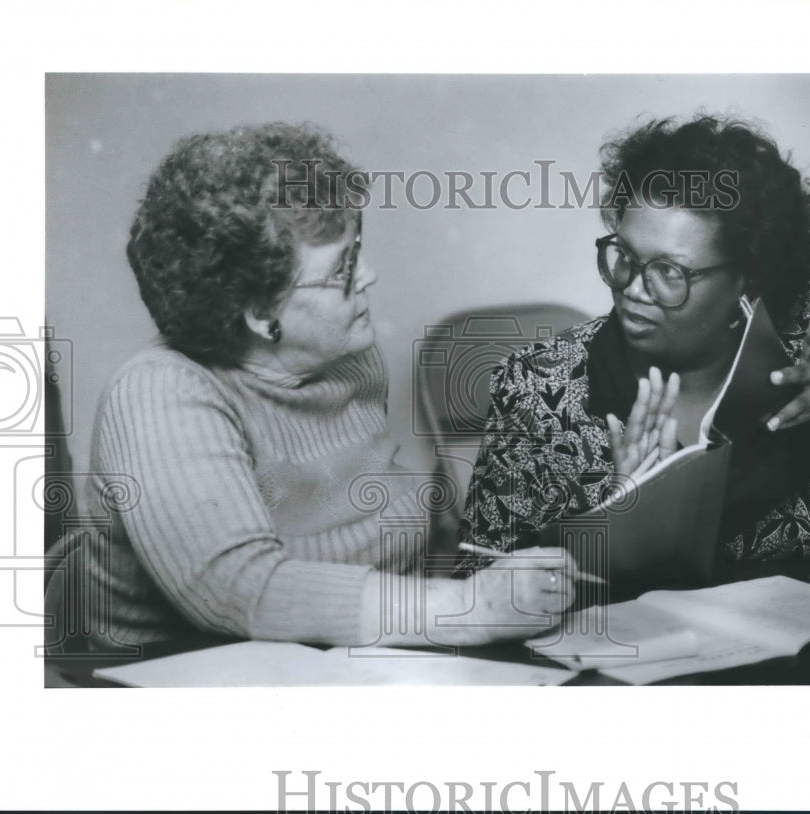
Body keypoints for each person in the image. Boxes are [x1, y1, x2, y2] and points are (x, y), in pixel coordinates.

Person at [46, 122, 575, 653]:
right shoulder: (160, 394)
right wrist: (472, 608)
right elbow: (244, 588)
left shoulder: (346, 358)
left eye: (357, 246)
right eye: (342, 268)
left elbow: (391, 542)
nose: (367, 274)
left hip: (348, 667)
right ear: (258, 311)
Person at [461, 114, 810, 569]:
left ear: (749, 280)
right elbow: (481, 593)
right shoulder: (540, 388)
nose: (631, 287)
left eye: (668, 271)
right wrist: (621, 526)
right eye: (623, 255)